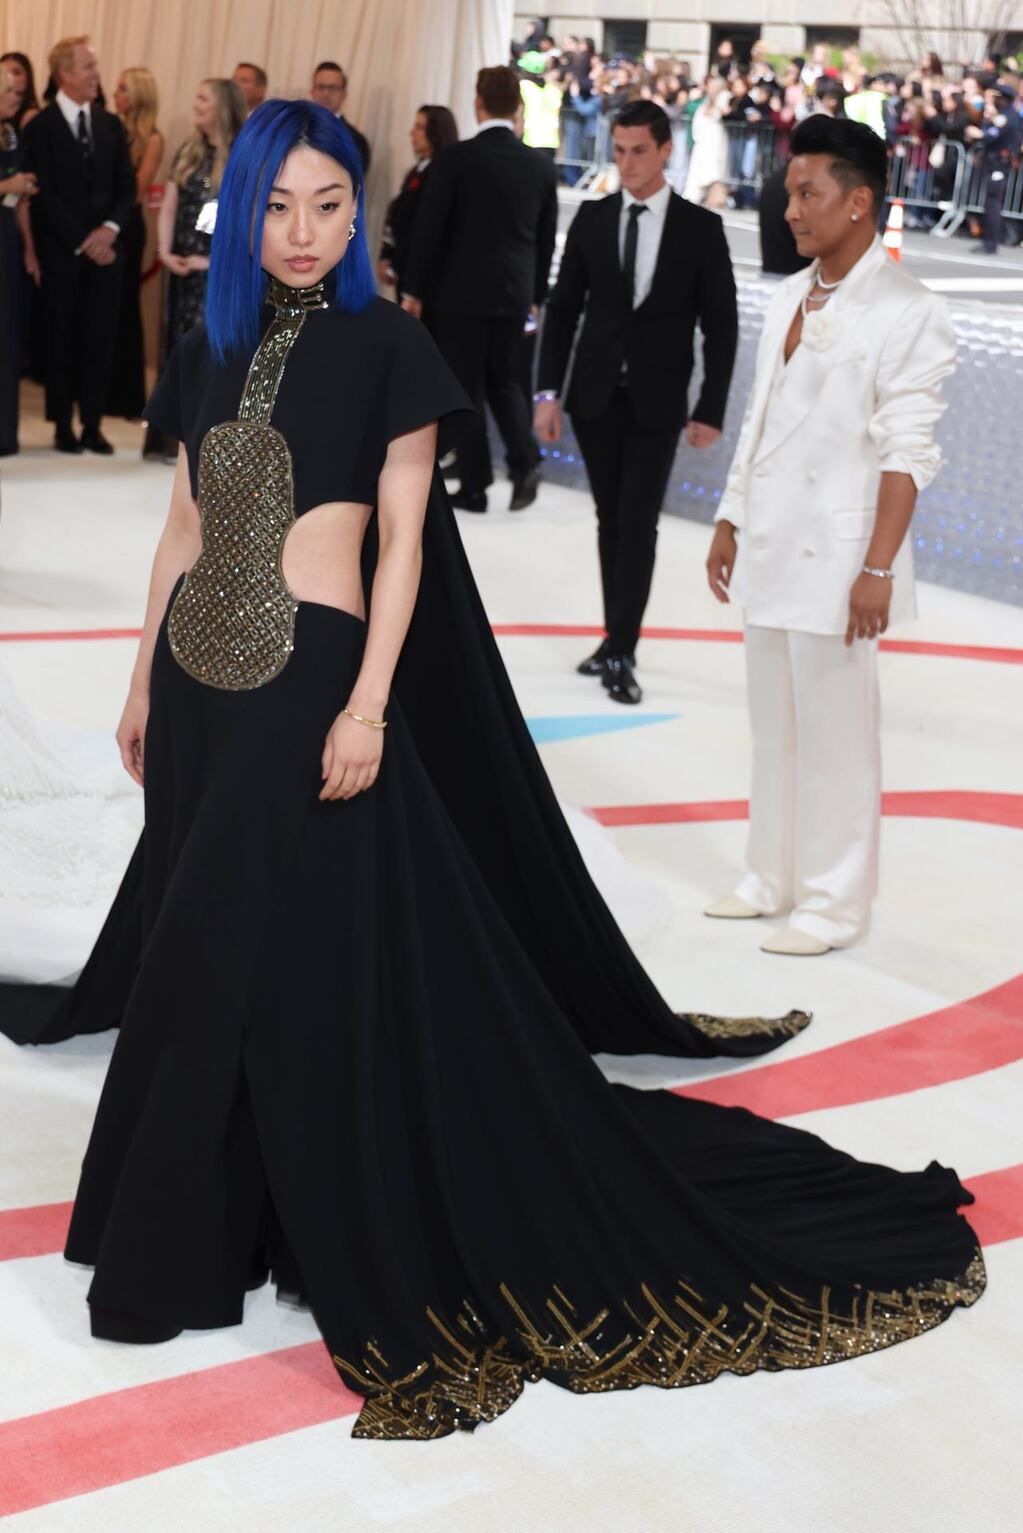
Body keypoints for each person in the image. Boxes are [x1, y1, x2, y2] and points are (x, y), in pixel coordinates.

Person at [0, 96, 983, 1443]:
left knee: (241, 956)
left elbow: (400, 549)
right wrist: (133, 682)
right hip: (195, 686)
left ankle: (189, 1247)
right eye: (277, 206)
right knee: (198, 949)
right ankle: (194, 1223)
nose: (301, 231)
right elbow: (182, 520)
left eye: (328, 206)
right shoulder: (217, 342)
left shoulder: (390, 349)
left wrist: (365, 709)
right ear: (245, 214)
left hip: (307, 685)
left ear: (362, 213)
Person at [704, 116, 957, 954]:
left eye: (806, 193)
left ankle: (833, 900)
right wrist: (729, 516)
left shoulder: (906, 309)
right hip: (772, 540)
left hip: (842, 552)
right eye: (788, 192)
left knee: (838, 739)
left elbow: (906, 451)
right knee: (771, 725)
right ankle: (767, 875)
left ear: (857, 202)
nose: (789, 209)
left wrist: (877, 566)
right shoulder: (786, 293)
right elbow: (758, 422)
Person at [535, 100, 738, 706]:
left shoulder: (700, 230)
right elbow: (563, 310)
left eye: (639, 151)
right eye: (619, 150)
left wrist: (710, 408)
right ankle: (613, 635)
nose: (627, 162)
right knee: (609, 519)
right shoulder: (594, 220)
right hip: (595, 397)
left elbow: (720, 327)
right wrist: (547, 392)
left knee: (638, 522)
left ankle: (622, 647)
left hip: (658, 403)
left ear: (666, 149)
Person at [402, 65, 558, 513]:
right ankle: (526, 461)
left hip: (460, 294)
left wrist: (414, 289)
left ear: (478, 102)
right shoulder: (539, 166)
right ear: (518, 107)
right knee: (505, 381)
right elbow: (546, 240)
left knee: (464, 387)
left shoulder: (456, 159)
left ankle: (475, 484)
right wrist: (536, 297)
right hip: (514, 292)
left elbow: (431, 230)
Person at [22, 35, 135, 454]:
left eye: (95, 66)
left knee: (100, 340)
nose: (96, 75)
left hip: (108, 255)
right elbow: (43, 195)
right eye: (87, 66)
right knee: (61, 340)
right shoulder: (42, 126)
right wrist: (83, 240)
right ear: (64, 74)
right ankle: (62, 427)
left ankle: (92, 424)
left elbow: (127, 187)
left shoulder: (110, 124)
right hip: (62, 255)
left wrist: (109, 230)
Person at [144, 77, 244, 460]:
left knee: (212, 353)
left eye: (203, 97)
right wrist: (165, 251)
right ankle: (171, 438)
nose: (195, 104)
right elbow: (171, 203)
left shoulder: (240, 155)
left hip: (220, 273)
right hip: (183, 271)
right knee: (179, 349)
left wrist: (214, 261)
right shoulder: (189, 150)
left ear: (221, 104)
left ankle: (210, 441)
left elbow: (245, 219)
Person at [106, 67, 163, 419]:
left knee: (126, 308)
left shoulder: (152, 138)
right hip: (105, 224)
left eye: (124, 89)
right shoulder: (111, 128)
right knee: (105, 308)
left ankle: (127, 397)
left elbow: (137, 190)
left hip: (127, 227)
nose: (116, 95)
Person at [378, 104, 457, 300]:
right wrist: (388, 256)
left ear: (437, 132)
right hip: (404, 271)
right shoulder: (418, 171)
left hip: (426, 282)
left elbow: (425, 227)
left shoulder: (441, 174)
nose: (412, 133)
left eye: (420, 128)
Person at [0, 66, 38, 454]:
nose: (17, 97)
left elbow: (19, 204)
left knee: (7, 333)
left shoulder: (10, 132)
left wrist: (28, 250)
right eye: (11, 90)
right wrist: (7, 185)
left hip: (7, 238)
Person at [967, 85, 1021, 254]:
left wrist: (980, 134)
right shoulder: (1004, 115)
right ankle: (988, 240)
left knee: (993, 203)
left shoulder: (1007, 116)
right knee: (990, 203)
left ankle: (991, 243)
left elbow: (992, 135)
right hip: (994, 163)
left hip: (999, 164)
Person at [310, 61, 369, 173]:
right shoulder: (296, 130)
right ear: (312, 91)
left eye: (332, 88)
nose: (326, 94)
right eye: (321, 87)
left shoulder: (354, 140)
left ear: (344, 94)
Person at [683, 73, 730, 207]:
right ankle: (693, 195)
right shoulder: (705, 100)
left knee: (714, 167)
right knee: (699, 165)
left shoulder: (723, 97)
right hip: (703, 139)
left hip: (715, 139)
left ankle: (714, 197)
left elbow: (723, 112)